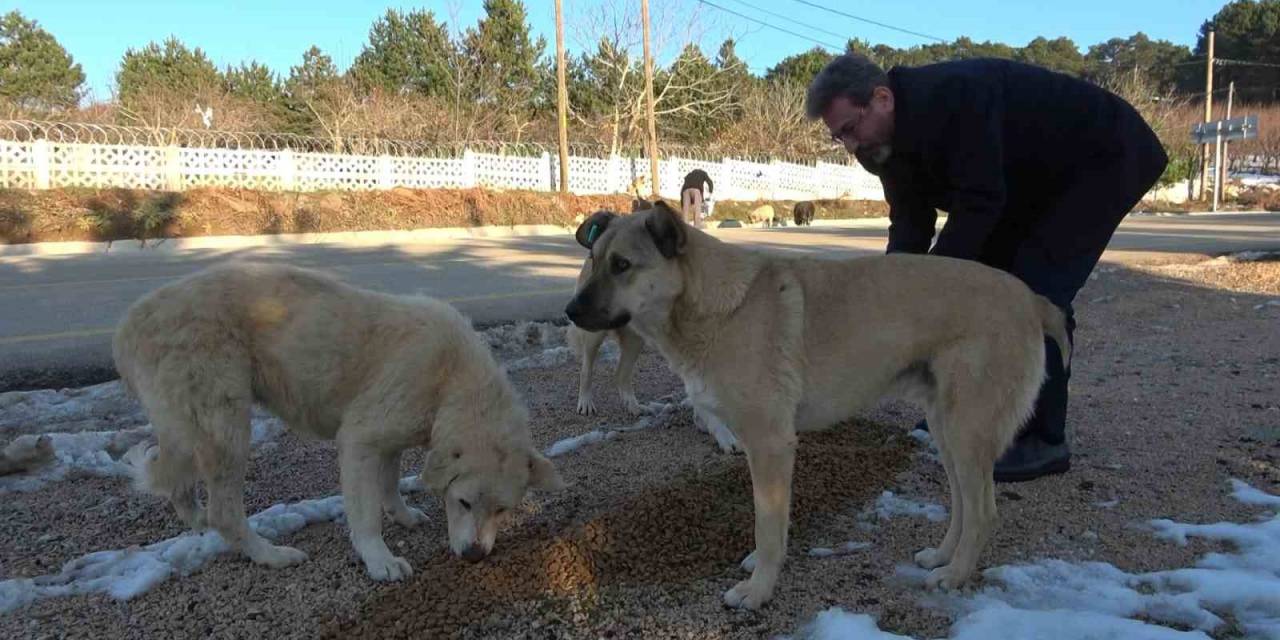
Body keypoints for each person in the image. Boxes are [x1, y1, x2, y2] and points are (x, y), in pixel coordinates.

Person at [805, 54, 1168, 482]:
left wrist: (935, 291)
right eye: (838, 137)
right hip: (1022, 186)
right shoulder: (881, 145)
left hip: (1101, 159)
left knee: (1030, 289)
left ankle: (1040, 439)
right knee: (981, 288)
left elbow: (979, 202)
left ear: (882, 98)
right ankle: (972, 412)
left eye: (849, 129)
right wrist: (891, 291)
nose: (849, 145)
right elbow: (910, 220)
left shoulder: (955, 96)